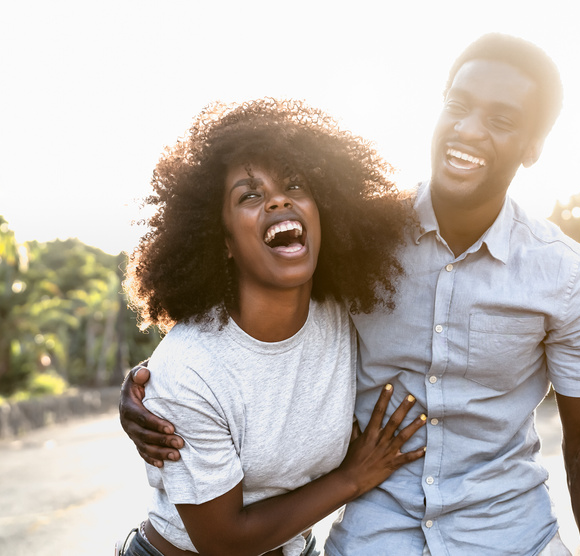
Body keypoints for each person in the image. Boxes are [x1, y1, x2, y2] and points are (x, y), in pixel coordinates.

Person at [121, 34, 580, 555]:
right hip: (372, 540)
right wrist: (154, 388)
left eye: (501, 120)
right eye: (458, 106)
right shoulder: (359, 238)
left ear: (533, 147)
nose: (469, 129)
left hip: (511, 537)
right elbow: (248, 308)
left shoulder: (563, 275)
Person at [115, 98, 428, 556]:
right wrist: (353, 478)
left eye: (294, 185)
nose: (278, 200)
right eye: (250, 194)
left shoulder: (348, 315)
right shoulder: (188, 368)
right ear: (222, 241)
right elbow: (223, 541)